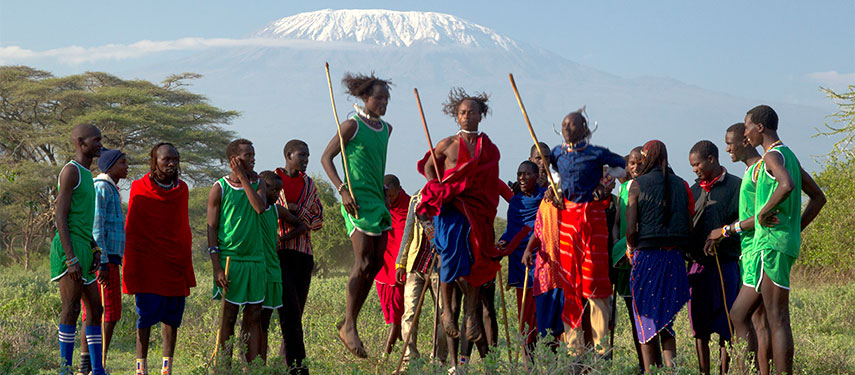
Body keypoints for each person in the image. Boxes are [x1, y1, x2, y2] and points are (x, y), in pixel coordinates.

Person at [716, 105, 825, 375]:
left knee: (777, 319)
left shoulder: (773, 156)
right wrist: (794, 228)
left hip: (770, 247)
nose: (746, 133)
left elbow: (786, 185)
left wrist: (763, 213)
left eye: (748, 127)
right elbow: (818, 198)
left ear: (759, 128)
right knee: (740, 314)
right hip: (774, 245)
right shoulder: (789, 156)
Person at [417, 88, 503, 368]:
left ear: (481, 115)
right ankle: (447, 313)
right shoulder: (447, 143)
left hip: (477, 211)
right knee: (449, 256)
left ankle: (471, 316)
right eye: (463, 113)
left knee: (478, 259)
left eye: (473, 112)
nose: (468, 116)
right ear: (457, 115)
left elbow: (491, 182)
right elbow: (429, 166)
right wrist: (436, 186)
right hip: (452, 209)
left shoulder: (488, 148)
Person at [320, 72, 393, 358]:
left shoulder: (387, 129)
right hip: (356, 200)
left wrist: (385, 191)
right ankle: (349, 326)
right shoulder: (351, 125)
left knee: (375, 263)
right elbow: (326, 158)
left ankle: (350, 321)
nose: (384, 103)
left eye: (387, 98)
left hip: (378, 199)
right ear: (365, 98)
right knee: (362, 260)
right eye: (379, 98)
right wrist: (341, 189)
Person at [549, 110, 625, 355]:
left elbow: (621, 168)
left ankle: (602, 350)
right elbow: (552, 172)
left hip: (592, 219)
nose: (567, 127)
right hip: (568, 219)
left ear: (585, 128)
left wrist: (603, 185)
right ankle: (574, 350)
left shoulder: (597, 153)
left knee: (596, 283)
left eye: (572, 124)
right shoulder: (556, 153)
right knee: (569, 282)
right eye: (564, 124)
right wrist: (556, 189)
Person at [123, 142, 197, 375]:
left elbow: (181, 228)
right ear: (154, 161)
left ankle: (167, 367)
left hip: (175, 262)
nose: (172, 163)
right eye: (167, 159)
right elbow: (133, 229)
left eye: (175, 159)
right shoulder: (139, 187)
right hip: (148, 264)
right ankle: (141, 367)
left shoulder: (182, 189)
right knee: (145, 317)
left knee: (172, 318)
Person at [626, 140, 693, 372]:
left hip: (647, 259)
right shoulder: (682, 184)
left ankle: (650, 370)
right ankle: (671, 370)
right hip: (674, 260)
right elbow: (689, 222)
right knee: (667, 323)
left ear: (645, 158)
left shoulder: (636, 185)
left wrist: (630, 247)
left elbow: (631, 228)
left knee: (645, 321)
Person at [208, 138, 269, 364]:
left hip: (255, 258)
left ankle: (251, 367)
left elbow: (260, 208)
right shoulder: (219, 188)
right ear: (234, 160)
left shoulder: (259, 183)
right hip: (230, 261)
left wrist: (244, 179)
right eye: (247, 156)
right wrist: (217, 268)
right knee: (228, 317)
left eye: (253, 155)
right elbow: (211, 229)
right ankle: (224, 367)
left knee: (253, 316)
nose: (252, 159)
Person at [719, 122, 773, 374]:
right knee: (759, 320)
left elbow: (763, 215)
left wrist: (726, 230)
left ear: (745, 141)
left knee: (738, 315)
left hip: (757, 253)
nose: (727, 148)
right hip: (750, 253)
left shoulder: (759, 170)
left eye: (730, 143)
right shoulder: (753, 170)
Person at [51, 123, 104, 375]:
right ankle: (64, 368)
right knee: (71, 308)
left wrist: (94, 248)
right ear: (81, 143)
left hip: (84, 245)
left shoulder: (88, 175)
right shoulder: (71, 171)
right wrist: (71, 259)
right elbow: (60, 217)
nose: (100, 144)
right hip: (68, 247)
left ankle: (97, 368)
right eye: (96, 140)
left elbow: (83, 218)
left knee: (96, 309)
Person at [687, 140, 741, 375]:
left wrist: (723, 236)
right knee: (699, 326)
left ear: (711, 159)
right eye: (692, 166)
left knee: (726, 326)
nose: (695, 170)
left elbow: (745, 224)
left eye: (697, 164)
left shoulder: (736, 187)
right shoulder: (693, 189)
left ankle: (723, 372)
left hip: (726, 265)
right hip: (697, 268)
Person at [274, 139, 323, 374]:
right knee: (289, 310)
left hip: (303, 254)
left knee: (296, 311)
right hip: (278, 253)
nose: (305, 160)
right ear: (288, 155)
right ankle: (297, 365)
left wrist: (296, 210)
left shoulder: (309, 184)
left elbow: (317, 220)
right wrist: (294, 218)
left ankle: (286, 359)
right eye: (301, 155)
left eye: (307, 155)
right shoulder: (271, 181)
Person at [78, 148, 127, 375]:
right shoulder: (101, 188)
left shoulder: (111, 188)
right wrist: (103, 262)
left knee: (106, 312)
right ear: (111, 166)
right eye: (123, 163)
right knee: (101, 312)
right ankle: (93, 365)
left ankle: (92, 364)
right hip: (102, 262)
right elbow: (96, 227)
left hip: (111, 260)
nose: (126, 167)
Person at [257, 171, 307, 363]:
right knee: (254, 320)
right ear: (262, 188)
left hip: (272, 269)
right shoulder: (252, 208)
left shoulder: (277, 210)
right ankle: (254, 363)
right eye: (274, 190)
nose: (277, 194)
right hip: (255, 269)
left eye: (279, 190)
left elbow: (301, 226)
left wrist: (282, 239)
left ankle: (261, 364)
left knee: (265, 321)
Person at [395, 188, 447, 364]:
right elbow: (408, 229)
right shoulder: (417, 198)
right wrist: (401, 262)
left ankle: (439, 359)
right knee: (409, 313)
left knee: (442, 314)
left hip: (439, 267)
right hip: (416, 264)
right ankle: (409, 359)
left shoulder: (448, 196)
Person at [498, 161, 545, 355]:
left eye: (526, 174)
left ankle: (548, 355)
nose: (522, 178)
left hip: (541, 257)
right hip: (520, 259)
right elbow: (511, 230)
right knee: (524, 311)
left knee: (542, 310)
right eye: (519, 174)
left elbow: (544, 227)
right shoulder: (516, 202)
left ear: (536, 176)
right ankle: (527, 355)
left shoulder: (545, 198)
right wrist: (502, 242)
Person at [609, 147, 645, 372]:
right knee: (633, 315)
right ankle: (644, 363)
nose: (634, 168)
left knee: (643, 316)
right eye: (630, 164)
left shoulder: (642, 187)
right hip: (622, 258)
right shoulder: (622, 190)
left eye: (637, 163)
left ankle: (650, 363)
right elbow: (617, 222)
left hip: (639, 256)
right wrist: (617, 244)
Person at [376, 174, 409, 355]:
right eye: (385, 195)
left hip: (400, 269)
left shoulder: (411, 206)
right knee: (391, 316)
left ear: (399, 188)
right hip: (382, 267)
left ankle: (385, 356)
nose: (389, 199)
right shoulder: (380, 206)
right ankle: (406, 352)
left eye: (392, 195)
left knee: (397, 315)